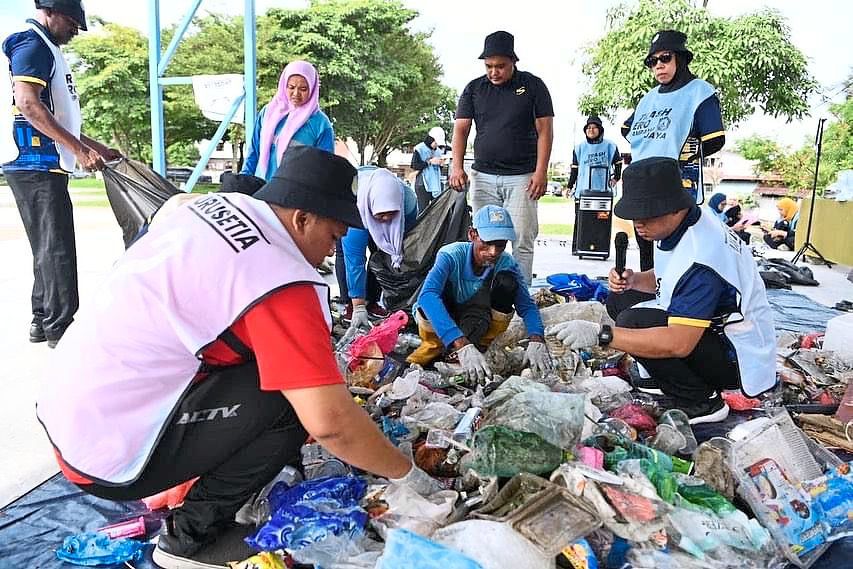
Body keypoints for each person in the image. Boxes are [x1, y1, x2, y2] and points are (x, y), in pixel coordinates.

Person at [35, 146, 439, 569]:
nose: (329, 254)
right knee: (289, 403)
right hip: (109, 455)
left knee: (269, 372)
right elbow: (330, 423)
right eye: (333, 238)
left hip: (67, 412)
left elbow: (173, 221)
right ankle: (186, 542)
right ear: (302, 219)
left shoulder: (207, 207)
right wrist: (406, 475)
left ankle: (224, 483)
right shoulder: (282, 277)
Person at [547, 157, 775, 424]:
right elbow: (672, 275)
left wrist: (602, 335)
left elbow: (679, 342)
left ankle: (702, 400)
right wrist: (634, 280)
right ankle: (662, 375)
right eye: (635, 216)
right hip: (714, 328)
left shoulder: (702, 259)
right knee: (621, 299)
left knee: (632, 321)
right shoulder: (685, 222)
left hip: (736, 357)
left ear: (674, 208)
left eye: (647, 216)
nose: (638, 224)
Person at [1, 0, 121, 348]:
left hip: (40, 162)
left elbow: (60, 118)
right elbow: (28, 103)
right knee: (57, 248)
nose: (75, 30)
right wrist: (79, 152)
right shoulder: (32, 44)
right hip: (35, 161)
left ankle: (42, 320)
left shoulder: (46, 47)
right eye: (71, 21)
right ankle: (61, 329)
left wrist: (95, 146)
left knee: (46, 245)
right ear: (50, 12)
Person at [449, 30, 554, 283]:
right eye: (489, 66)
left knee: (522, 238)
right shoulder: (474, 88)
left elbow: (545, 131)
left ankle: (520, 295)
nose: (494, 72)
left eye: (500, 66)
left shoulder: (533, 86)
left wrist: (541, 172)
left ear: (513, 61)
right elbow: (461, 129)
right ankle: (482, 292)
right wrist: (457, 166)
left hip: (523, 177)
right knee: (484, 239)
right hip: (483, 176)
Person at [407, 205, 552, 381]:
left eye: (500, 245)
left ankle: (482, 346)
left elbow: (527, 306)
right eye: (487, 243)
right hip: (440, 319)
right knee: (430, 305)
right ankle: (438, 347)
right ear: (472, 235)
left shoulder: (506, 262)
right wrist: (461, 343)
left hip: (474, 319)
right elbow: (427, 296)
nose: (493, 252)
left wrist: (537, 339)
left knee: (508, 282)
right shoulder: (451, 255)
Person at [622, 30, 725, 271]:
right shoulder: (648, 98)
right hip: (642, 182)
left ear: (681, 58)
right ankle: (650, 286)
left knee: (676, 247)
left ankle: (677, 289)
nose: (658, 65)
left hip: (675, 182)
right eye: (652, 61)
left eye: (665, 58)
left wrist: (692, 151)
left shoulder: (700, 92)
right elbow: (627, 128)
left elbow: (715, 138)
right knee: (646, 247)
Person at [336, 167, 419, 329]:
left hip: (385, 215)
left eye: (391, 213)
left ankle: (372, 301)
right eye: (382, 214)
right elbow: (355, 261)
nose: (386, 218)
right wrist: (359, 306)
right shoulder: (356, 208)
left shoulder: (408, 202)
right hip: (354, 206)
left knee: (382, 257)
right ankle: (350, 304)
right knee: (345, 256)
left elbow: (403, 246)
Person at [241, 60, 334, 181]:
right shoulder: (267, 113)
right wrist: (243, 180)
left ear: (312, 89)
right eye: (291, 87)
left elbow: (324, 167)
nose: (296, 93)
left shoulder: (320, 124)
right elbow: (253, 151)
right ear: (284, 85)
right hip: (261, 186)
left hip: (296, 189)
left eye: (303, 89)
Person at [567, 116, 622, 255]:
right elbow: (575, 169)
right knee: (580, 220)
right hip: (583, 191)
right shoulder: (579, 148)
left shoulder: (610, 146)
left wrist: (616, 177)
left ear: (600, 130)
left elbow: (618, 162)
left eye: (594, 127)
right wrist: (569, 186)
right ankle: (578, 247)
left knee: (601, 221)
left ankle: (600, 249)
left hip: (602, 191)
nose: (591, 130)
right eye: (588, 128)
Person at [411, 126, 448, 211]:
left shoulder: (438, 151)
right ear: (431, 139)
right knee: (423, 210)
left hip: (436, 184)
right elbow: (414, 166)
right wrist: (429, 162)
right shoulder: (419, 148)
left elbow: (439, 169)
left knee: (437, 210)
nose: (436, 145)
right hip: (422, 183)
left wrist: (441, 164)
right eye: (435, 142)